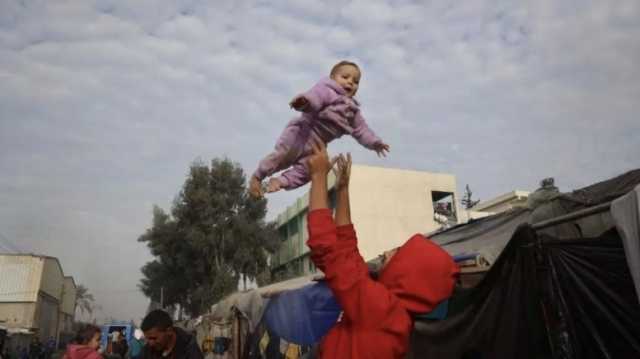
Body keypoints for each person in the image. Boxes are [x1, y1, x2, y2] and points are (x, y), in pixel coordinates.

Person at [305, 143, 460, 358]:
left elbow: (327, 249)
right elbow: (347, 251)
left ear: (409, 274)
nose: (387, 253)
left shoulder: (382, 312)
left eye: (398, 252)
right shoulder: (392, 316)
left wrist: (318, 177)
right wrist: (342, 190)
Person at [249, 60, 390, 197]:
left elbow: (362, 130)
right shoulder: (327, 90)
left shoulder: (353, 112)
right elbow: (315, 97)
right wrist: (304, 102)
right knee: (280, 157)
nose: (350, 82)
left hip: (317, 146)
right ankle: (258, 177)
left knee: (310, 170)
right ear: (333, 78)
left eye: (356, 81)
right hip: (301, 134)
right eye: (345, 77)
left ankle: (281, 181)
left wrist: (374, 143)